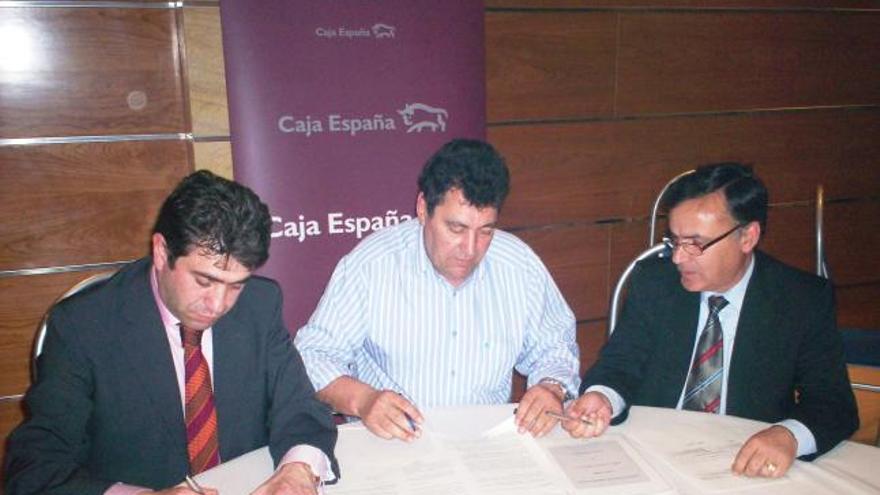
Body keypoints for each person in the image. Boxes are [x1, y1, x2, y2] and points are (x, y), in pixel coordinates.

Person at [5, 171, 338, 495]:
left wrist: (298, 470)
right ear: (162, 252)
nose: (218, 304)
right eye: (204, 281)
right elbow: (36, 466)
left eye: (235, 286)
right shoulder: (83, 326)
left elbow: (299, 408)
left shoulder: (259, 304)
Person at [562, 162, 858, 478]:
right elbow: (619, 365)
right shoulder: (655, 283)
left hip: (742, 465)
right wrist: (602, 397)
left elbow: (834, 404)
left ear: (748, 236)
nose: (678, 257)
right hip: (649, 457)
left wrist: (788, 436)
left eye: (696, 244)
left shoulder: (800, 299)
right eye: (674, 240)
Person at [295, 138, 580, 441]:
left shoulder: (518, 265)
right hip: (393, 444)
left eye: (485, 231)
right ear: (422, 209)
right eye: (456, 229)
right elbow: (314, 354)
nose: (469, 250)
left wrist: (551, 387)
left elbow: (555, 346)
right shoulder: (372, 264)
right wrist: (363, 400)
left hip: (487, 445)